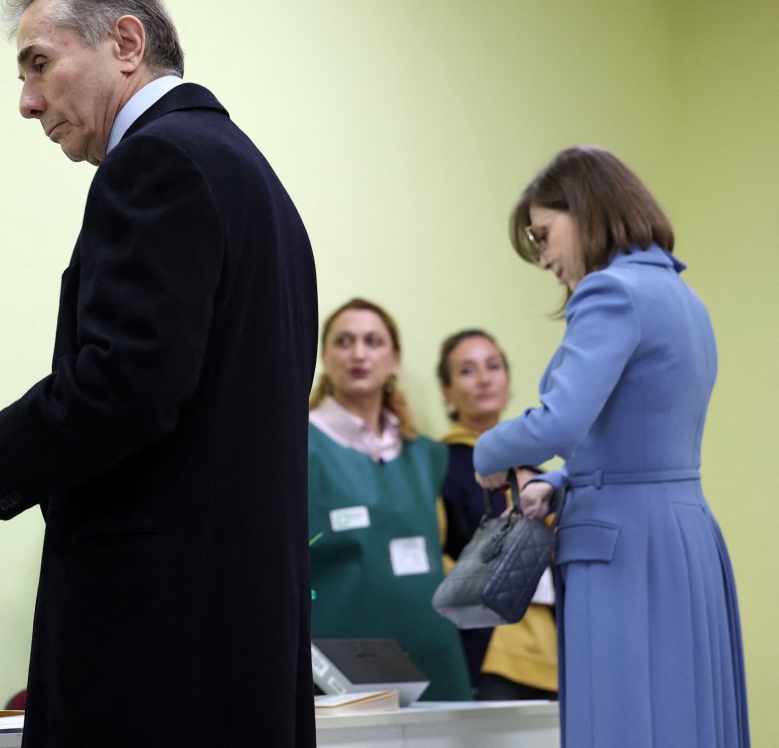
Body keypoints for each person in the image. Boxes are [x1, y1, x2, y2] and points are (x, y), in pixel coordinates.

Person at [0, 0, 318, 747]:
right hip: (239, 634)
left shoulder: (156, 161)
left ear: (124, 41)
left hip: (158, 642)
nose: (26, 102)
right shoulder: (255, 180)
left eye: (38, 64)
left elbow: (130, 381)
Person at [474, 145, 749, 748]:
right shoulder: (685, 299)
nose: (544, 258)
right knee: (687, 719)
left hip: (621, 547)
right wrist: (562, 480)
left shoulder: (608, 293)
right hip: (686, 537)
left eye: (544, 236)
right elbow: (644, 438)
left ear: (586, 210)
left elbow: (557, 425)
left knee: (619, 724)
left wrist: (487, 452)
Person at [307, 298, 471, 701]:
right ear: (324, 356)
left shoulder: (428, 455)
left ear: (394, 357)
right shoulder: (296, 445)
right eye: (344, 341)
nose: (359, 354)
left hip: (431, 654)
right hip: (334, 661)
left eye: (373, 341)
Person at [437, 329, 557, 700]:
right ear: (447, 391)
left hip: (557, 649)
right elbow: (430, 553)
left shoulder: (543, 475)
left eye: (493, 366)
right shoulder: (438, 464)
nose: (484, 378)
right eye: (467, 370)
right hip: (492, 653)